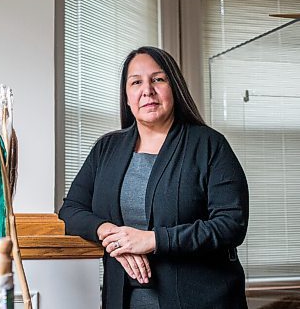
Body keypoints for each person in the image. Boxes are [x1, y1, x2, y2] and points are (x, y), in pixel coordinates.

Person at [58, 46, 249, 309]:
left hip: (204, 300)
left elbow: (231, 224)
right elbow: (70, 209)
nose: (147, 90)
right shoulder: (106, 149)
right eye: (136, 82)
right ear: (126, 96)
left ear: (175, 88)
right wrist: (114, 236)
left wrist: (153, 240)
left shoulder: (209, 145)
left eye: (158, 79)